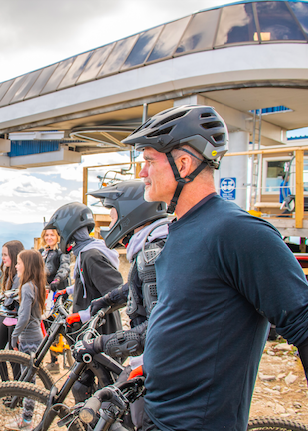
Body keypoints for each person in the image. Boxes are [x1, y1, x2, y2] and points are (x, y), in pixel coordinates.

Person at [121, 104, 308, 431]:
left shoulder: (238, 232)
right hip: (158, 415)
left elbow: (303, 321)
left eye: (149, 161)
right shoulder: (179, 230)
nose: (142, 173)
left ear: (183, 163)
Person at [70, 180, 168, 430]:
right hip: (154, 359)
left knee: (130, 418)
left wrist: (100, 343)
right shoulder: (150, 246)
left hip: (159, 363)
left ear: (130, 214)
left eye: (113, 217)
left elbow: (157, 329)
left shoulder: (153, 252)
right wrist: (105, 301)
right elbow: (135, 287)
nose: (110, 225)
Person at [44, 202, 123, 402]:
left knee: (100, 391)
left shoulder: (91, 256)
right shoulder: (84, 254)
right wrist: (67, 290)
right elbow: (87, 283)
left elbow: (116, 293)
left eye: (60, 234)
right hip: (90, 332)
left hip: (100, 333)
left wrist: (83, 315)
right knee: (83, 385)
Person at [5, 249, 47, 430]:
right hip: (35, 337)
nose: (16, 265)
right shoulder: (36, 284)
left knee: (28, 383)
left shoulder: (27, 286)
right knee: (29, 380)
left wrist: (14, 336)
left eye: (19, 263)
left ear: (27, 266)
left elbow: (23, 317)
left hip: (29, 339)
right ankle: (26, 419)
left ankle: (27, 422)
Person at [0, 240, 24, 382]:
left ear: (14, 256)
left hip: (14, 320)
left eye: (5, 255)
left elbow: (7, 304)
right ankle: (6, 386)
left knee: (13, 359)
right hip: (7, 319)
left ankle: (16, 392)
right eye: (2, 255)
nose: (3, 258)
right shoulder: (9, 273)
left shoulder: (18, 278)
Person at [39, 228, 70, 373]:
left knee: (59, 326)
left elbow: (64, 267)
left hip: (58, 293)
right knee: (47, 324)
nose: (49, 237)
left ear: (58, 237)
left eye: (52, 235)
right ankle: (54, 361)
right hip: (45, 294)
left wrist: (57, 279)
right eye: (47, 235)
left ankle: (70, 355)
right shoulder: (42, 252)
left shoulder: (61, 253)